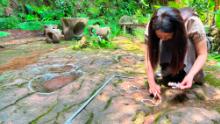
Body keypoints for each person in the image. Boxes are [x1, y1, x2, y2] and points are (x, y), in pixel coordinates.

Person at [144, 7, 208, 99]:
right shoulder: (152, 26)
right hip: (173, 53)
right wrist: (151, 83)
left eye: (166, 36)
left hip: (190, 51)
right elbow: (148, 57)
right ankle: (169, 70)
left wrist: (190, 75)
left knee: (188, 43)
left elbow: (202, 54)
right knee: (161, 42)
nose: (162, 39)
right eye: (159, 36)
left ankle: (188, 72)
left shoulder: (192, 22)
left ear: (177, 31)